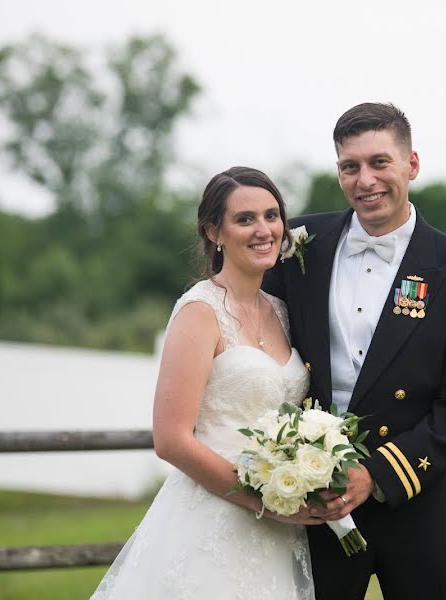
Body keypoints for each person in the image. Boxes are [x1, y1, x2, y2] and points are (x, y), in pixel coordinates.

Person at [263, 103, 446, 600]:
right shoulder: (296, 245)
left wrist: (375, 474)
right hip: (314, 494)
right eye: (349, 167)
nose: (364, 179)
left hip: (415, 488)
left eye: (379, 162)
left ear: (411, 165)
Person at [91, 167, 319, 599]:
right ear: (215, 231)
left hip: (279, 530)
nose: (264, 230)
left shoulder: (282, 311)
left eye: (272, 216)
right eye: (245, 219)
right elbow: (171, 439)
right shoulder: (199, 310)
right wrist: (262, 498)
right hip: (213, 519)